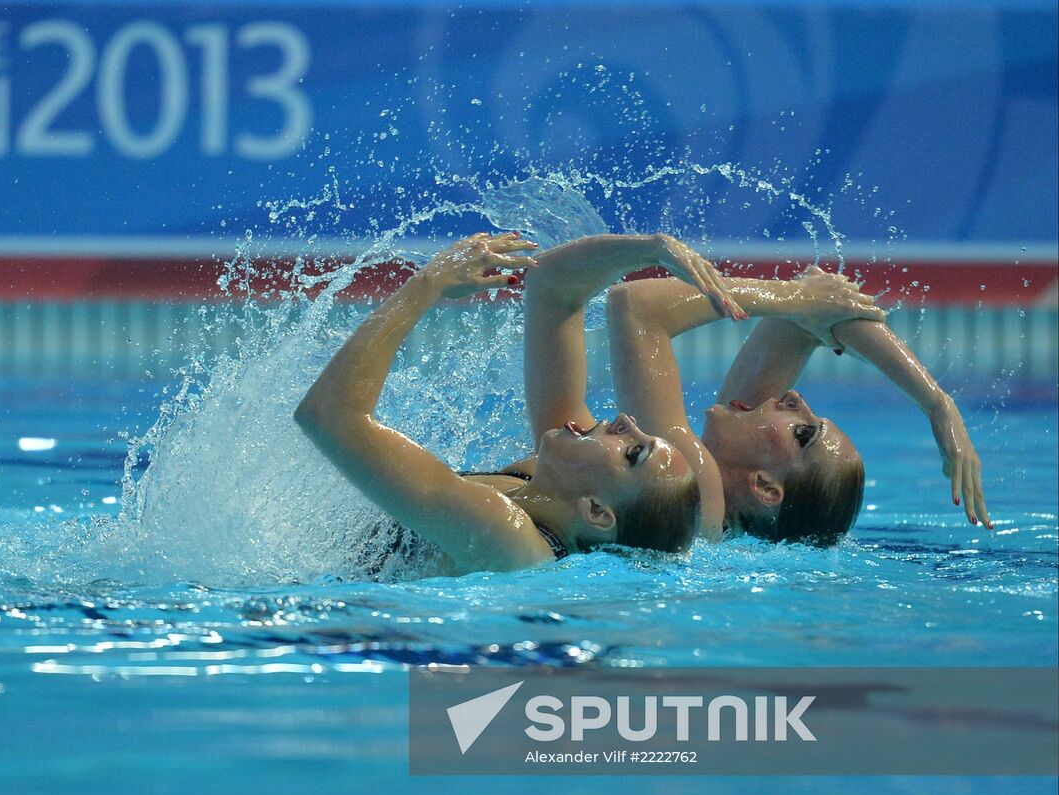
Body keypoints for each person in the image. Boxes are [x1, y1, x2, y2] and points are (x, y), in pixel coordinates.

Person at [522, 233, 990, 545]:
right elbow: (811, 311)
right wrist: (937, 404)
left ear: (764, 486)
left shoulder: (700, 499)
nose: (796, 399)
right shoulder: (606, 474)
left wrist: (795, 299)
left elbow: (636, 306)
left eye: (802, 433)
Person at [295, 231, 714, 574]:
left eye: (633, 452)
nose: (625, 421)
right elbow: (555, 288)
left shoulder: (506, 537)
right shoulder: (549, 478)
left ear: (596, 511)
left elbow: (329, 417)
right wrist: (651, 248)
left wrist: (428, 284)